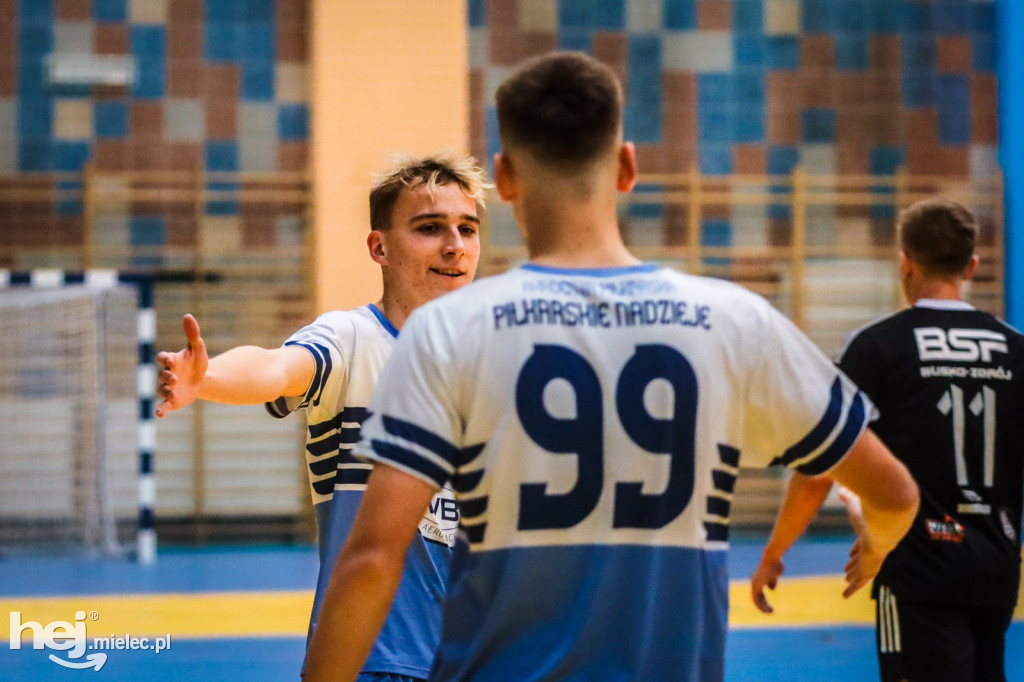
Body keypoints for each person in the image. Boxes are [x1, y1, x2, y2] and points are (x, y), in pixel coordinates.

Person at [304, 51, 919, 682]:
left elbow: (373, 559)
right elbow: (896, 493)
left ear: (506, 177)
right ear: (627, 166)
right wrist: (877, 542)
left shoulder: (448, 333)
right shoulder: (732, 320)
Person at [154, 153, 489, 680]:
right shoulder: (352, 340)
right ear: (380, 246)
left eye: (467, 229)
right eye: (429, 228)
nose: (455, 245)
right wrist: (209, 378)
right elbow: (277, 367)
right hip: (376, 665)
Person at [751, 197, 1024, 682]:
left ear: (904, 262)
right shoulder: (1015, 346)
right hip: (996, 566)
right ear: (972, 267)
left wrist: (774, 553)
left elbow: (818, 467)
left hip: (919, 567)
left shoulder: (877, 346)